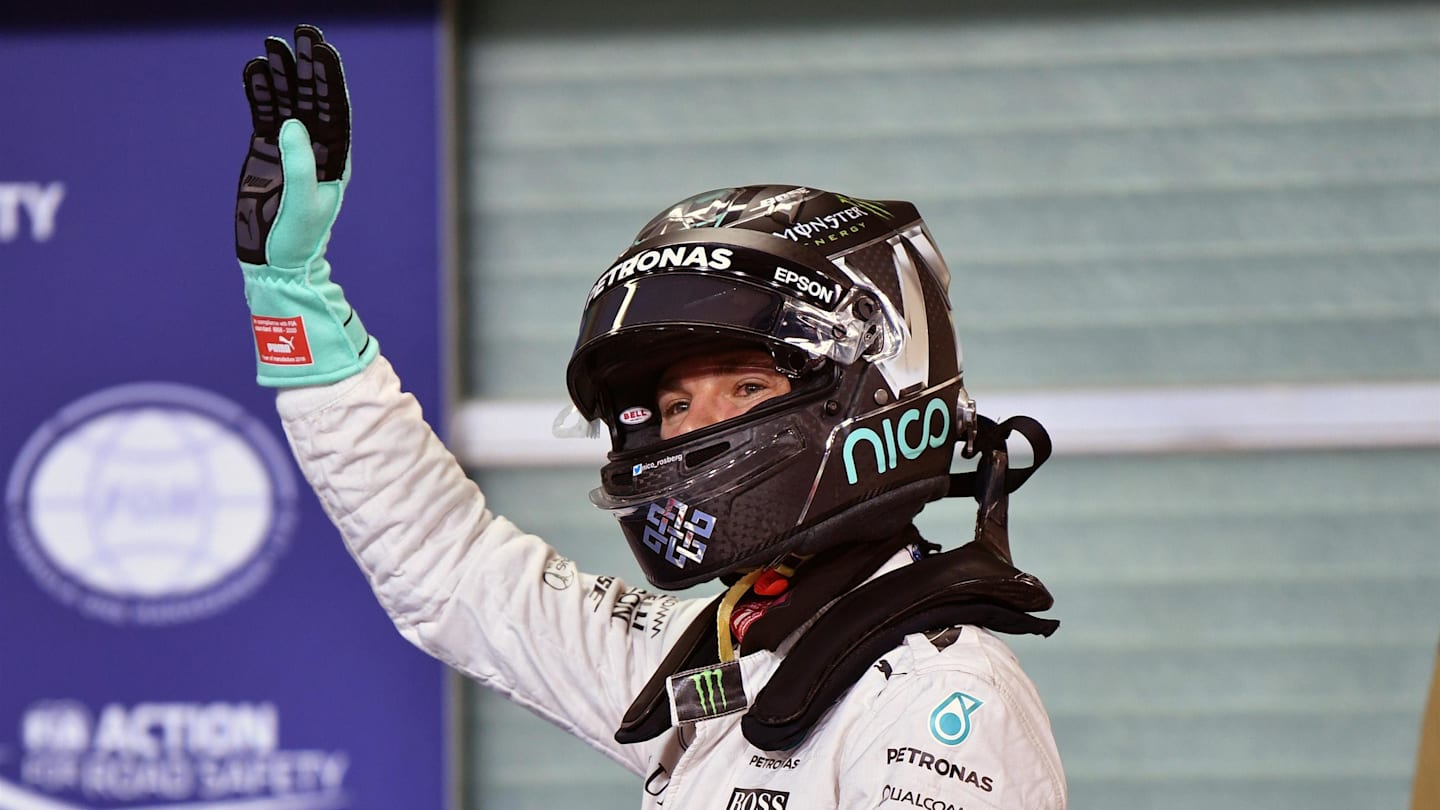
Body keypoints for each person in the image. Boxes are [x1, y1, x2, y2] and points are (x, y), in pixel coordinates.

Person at [235, 26, 1067, 809]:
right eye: (673, 405)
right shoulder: (720, 654)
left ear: (875, 398)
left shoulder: (940, 702)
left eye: (745, 387)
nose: (690, 428)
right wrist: (295, 302)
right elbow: (448, 570)